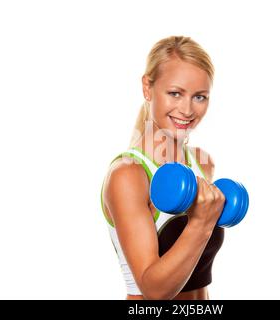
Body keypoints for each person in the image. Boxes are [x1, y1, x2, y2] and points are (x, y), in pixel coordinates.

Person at [101, 36, 226, 300]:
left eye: (199, 97)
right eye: (175, 93)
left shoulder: (203, 163)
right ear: (147, 87)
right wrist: (201, 222)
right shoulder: (128, 175)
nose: (187, 109)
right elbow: (154, 290)